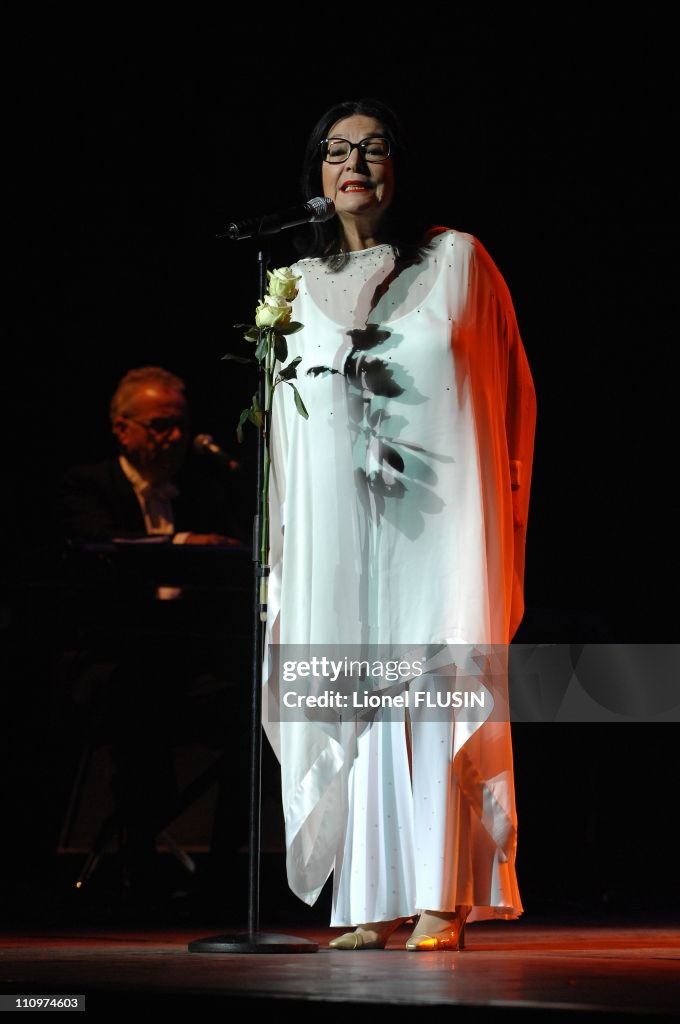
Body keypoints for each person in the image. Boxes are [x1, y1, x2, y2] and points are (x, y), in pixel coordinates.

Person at [262, 98, 537, 950]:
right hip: (347, 530)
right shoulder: (295, 287)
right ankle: (370, 899)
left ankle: (444, 896)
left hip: (440, 519)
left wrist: (497, 506)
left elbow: (505, 389)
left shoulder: (457, 260)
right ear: (316, 174)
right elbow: (286, 427)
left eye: (374, 150)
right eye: (336, 151)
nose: (355, 163)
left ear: (400, 169)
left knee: (433, 688)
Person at [56, 366, 249, 903]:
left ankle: (222, 871)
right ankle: (137, 862)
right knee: (135, 705)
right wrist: (185, 542)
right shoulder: (87, 484)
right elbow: (96, 550)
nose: (175, 437)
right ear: (123, 429)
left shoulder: (201, 487)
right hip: (108, 662)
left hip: (182, 664)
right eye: (160, 425)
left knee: (251, 717)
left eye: (180, 425)